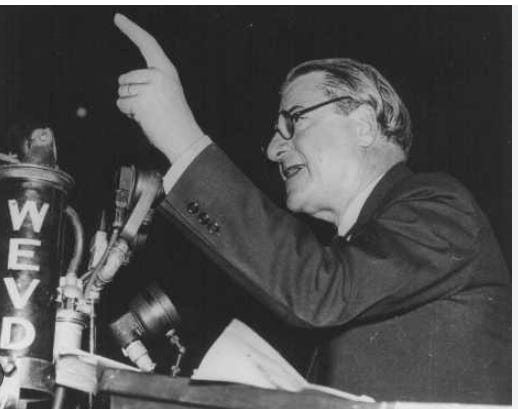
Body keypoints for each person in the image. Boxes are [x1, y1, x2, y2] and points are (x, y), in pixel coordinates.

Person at [113, 14, 511, 404]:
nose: (274, 150)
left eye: (294, 120)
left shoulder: (442, 207)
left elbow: (319, 291)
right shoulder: (350, 260)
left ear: (362, 124)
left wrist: (181, 138)